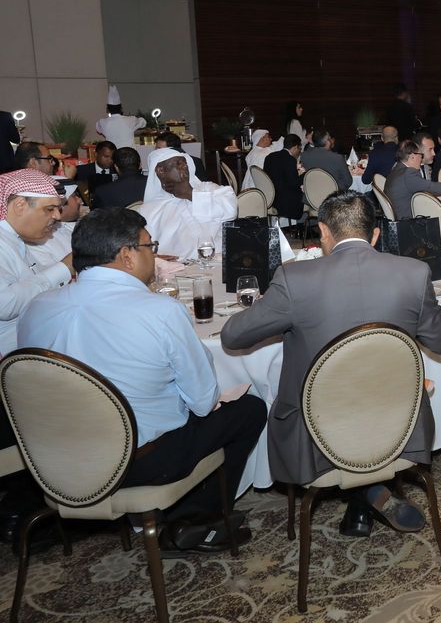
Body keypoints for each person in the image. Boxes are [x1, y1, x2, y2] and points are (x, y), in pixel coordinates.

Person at [18, 208, 266, 553]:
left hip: (53, 460)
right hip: (137, 463)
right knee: (249, 410)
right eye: (150, 246)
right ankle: (192, 520)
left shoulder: (36, 308)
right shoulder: (159, 311)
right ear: (127, 255)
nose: (154, 254)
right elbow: (202, 402)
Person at [220, 191, 441, 537]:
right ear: (375, 235)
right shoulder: (415, 274)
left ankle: (365, 495)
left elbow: (232, 336)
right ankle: (369, 494)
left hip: (315, 433)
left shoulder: (295, 280)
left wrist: (274, 306)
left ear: (324, 232)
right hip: (397, 421)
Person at [0, 170, 72, 355]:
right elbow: (5, 304)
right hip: (19, 356)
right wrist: (64, 267)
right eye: (49, 209)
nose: (57, 216)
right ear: (20, 206)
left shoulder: (12, 239)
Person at [141, 148, 237, 260]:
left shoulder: (208, 189)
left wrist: (189, 193)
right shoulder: (149, 210)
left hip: (217, 262)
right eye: (178, 163)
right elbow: (144, 249)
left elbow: (231, 211)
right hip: (176, 268)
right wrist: (156, 258)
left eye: (185, 163)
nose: (184, 166)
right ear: (161, 170)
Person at [27, 188, 81, 268]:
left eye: (58, 208)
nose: (58, 216)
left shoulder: (60, 226)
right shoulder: (30, 246)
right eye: (50, 209)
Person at [264, 134, 305, 220]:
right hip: (285, 202)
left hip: (271, 199)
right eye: (299, 149)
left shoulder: (270, 157)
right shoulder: (290, 159)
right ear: (295, 147)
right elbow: (294, 183)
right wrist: (305, 174)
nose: (299, 152)